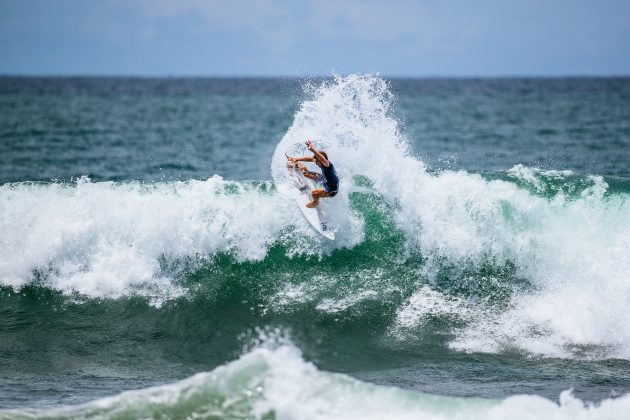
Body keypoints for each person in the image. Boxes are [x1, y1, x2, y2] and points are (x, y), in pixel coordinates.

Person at [287, 140, 339, 208]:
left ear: (320, 160)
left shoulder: (327, 164)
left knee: (314, 194)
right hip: (325, 180)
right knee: (306, 174)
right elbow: (310, 159)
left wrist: (312, 149)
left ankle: (316, 202)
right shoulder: (320, 161)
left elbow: (322, 159)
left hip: (331, 190)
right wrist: (296, 159)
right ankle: (298, 165)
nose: (315, 163)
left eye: (317, 162)